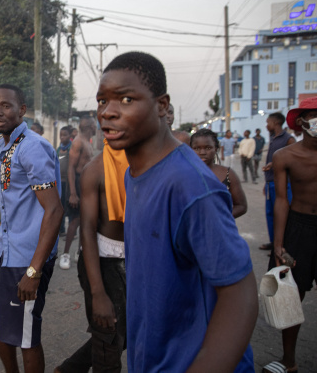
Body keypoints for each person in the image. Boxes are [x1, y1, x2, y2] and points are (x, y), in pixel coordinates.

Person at [99, 52, 257, 371]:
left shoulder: (192, 187)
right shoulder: (135, 174)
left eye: (126, 99)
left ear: (162, 105)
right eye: (102, 101)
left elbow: (241, 295)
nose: (108, 112)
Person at [0, 84, 63, 373]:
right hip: (8, 252)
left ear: (22, 110)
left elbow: (54, 210)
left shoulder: (32, 147)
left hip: (28, 259)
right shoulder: (6, 146)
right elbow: (20, 201)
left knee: (26, 337)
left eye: (5, 105)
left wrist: (34, 271)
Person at [55, 138, 129, 373]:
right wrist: (98, 293)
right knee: (108, 342)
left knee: (123, 333)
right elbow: (87, 230)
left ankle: (68, 369)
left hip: (136, 260)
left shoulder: (148, 161)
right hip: (104, 261)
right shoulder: (95, 168)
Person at [261, 97, 317, 373]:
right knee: (291, 295)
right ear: (302, 121)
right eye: (314, 115)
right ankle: (289, 360)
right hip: (299, 228)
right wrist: (279, 244)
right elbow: (281, 201)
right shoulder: (285, 156)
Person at [60, 116, 96, 270]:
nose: (96, 128)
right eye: (94, 125)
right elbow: (71, 168)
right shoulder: (78, 142)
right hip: (76, 184)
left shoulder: (87, 143)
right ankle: (65, 254)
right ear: (89, 126)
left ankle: (79, 253)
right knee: (75, 221)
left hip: (86, 185)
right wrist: (72, 193)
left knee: (84, 220)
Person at [190, 129, 247, 218]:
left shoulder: (228, 174)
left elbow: (241, 206)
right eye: (197, 148)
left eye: (208, 148)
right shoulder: (184, 174)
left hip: (222, 230)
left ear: (216, 149)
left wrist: (220, 219)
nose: (202, 152)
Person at [260, 112, 295, 251]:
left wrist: (274, 164)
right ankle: (273, 242)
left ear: (275, 123)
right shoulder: (273, 138)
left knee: (282, 214)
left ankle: (283, 245)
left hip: (283, 183)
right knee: (270, 214)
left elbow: (292, 161)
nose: (266, 125)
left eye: (268, 122)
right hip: (270, 182)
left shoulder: (288, 139)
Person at [56, 126, 72, 236]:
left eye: (65, 135)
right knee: (60, 206)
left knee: (68, 206)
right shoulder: (58, 149)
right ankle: (61, 229)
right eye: (61, 135)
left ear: (70, 136)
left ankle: (71, 231)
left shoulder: (72, 148)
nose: (62, 137)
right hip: (59, 182)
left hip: (68, 182)